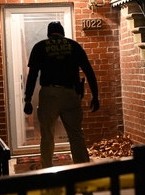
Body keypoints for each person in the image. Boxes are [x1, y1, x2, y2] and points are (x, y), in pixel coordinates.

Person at [23, 21, 99, 169]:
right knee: (76, 135)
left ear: (48, 33)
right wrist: (95, 96)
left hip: (49, 94)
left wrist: (27, 99)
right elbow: (89, 71)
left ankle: (47, 172)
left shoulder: (40, 47)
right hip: (71, 94)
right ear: (62, 32)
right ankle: (84, 173)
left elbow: (32, 75)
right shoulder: (73, 46)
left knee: (47, 136)